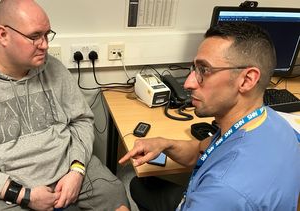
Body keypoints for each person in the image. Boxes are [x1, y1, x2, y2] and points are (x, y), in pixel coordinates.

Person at [0, 0, 130, 210]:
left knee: (115, 195)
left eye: (47, 34)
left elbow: (82, 120)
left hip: (67, 168)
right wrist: (22, 194)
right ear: (3, 35)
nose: (45, 44)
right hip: (6, 186)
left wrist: (77, 169)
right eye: (34, 36)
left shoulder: (54, 69)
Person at [119, 22, 300, 210]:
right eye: (194, 69)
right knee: (139, 185)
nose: (188, 83)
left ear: (247, 80)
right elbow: (201, 149)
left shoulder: (224, 191)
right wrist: (165, 144)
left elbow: (222, 193)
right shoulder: (269, 121)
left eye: (204, 70)